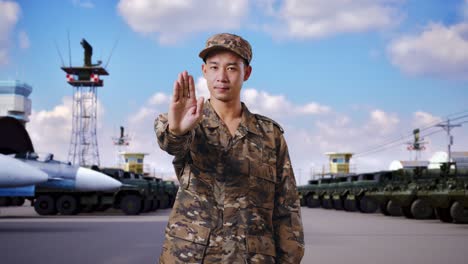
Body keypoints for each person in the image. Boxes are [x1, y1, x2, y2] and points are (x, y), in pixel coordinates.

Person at [155, 33, 304, 263]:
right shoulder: (188, 123)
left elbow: (287, 208)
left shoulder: (269, 135)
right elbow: (171, 142)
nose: (222, 77)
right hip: (192, 256)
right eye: (214, 67)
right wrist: (177, 130)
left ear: (247, 73)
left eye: (232, 68)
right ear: (204, 71)